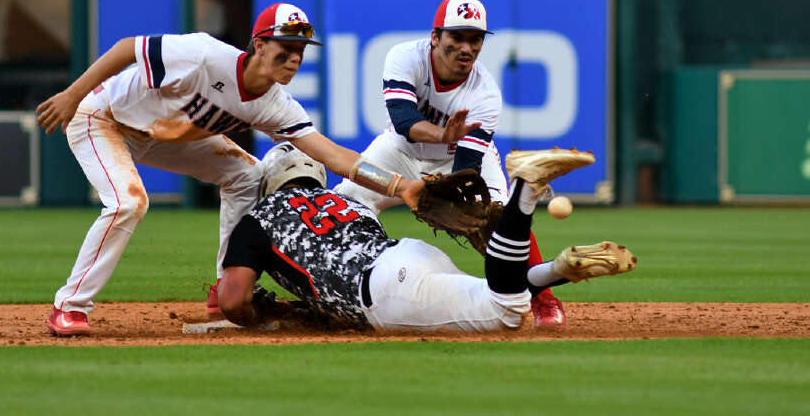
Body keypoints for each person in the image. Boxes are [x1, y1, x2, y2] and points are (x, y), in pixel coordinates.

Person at [36, 3, 436, 336]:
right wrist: (73, 95)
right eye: (286, 47)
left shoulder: (276, 104)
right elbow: (127, 48)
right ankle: (69, 307)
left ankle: (224, 286)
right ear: (259, 46)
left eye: (300, 50)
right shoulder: (205, 56)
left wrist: (400, 186)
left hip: (164, 135)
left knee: (247, 174)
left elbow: (334, 157)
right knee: (129, 202)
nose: (294, 57)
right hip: (102, 117)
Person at [218, 144, 637, 332]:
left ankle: (525, 191)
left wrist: (257, 316)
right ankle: (559, 270)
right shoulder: (343, 202)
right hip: (408, 256)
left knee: (506, 312)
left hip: (385, 294)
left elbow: (234, 301)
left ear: (270, 184)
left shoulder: (257, 219)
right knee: (494, 291)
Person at [333, 0, 568, 328]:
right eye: (456, 37)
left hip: (462, 161)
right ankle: (335, 289)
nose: (466, 47)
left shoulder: (485, 94)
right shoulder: (404, 57)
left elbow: (466, 170)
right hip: (400, 151)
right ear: (435, 37)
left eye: (475, 40)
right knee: (344, 205)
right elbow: (404, 122)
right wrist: (443, 135)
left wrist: (454, 199)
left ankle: (544, 297)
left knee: (502, 225)